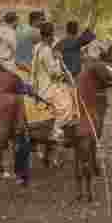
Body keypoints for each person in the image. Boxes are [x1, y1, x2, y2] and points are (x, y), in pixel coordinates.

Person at [31, 22, 75, 150]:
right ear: (49, 36)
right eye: (53, 35)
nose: (53, 38)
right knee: (67, 105)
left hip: (37, 83)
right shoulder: (46, 51)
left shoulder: (38, 47)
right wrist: (59, 61)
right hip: (47, 87)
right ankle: (55, 130)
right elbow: (54, 73)